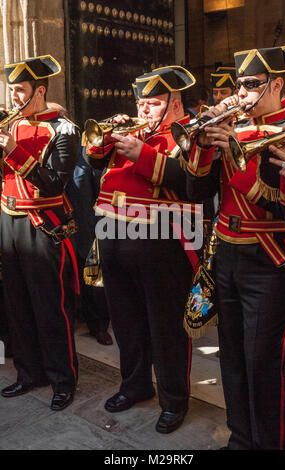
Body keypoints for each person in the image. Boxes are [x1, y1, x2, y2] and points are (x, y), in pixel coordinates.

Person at [185, 46, 285, 450]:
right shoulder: (234, 126)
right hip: (226, 253)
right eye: (239, 85)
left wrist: (233, 150)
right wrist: (199, 144)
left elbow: (276, 201)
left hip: (268, 258)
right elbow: (196, 191)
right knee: (231, 357)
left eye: (251, 85)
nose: (242, 93)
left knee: (262, 363)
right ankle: (241, 438)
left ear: (278, 84)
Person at [83, 66, 205, 434]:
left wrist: (142, 154)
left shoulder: (189, 133)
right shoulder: (137, 130)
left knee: (166, 326)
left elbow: (191, 185)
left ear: (175, 102)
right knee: (127, 320)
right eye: (141, 103)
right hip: (113, 231)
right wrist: (104, 143)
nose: (144, 111)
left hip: (162, 239)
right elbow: (94, 163)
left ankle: (173, 400)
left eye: (153, 104)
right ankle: (134, 385)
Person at [0, 55, 80, 411]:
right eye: (11, 90)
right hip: (7, 219)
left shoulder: (63, 129)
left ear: (40, 91)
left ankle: (63, 379)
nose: (14, 97)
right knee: (16, 304)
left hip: (43, 224)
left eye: (20, 91)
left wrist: (13, 151)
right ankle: (28, 373)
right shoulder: (7, 125)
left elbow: (52, 184)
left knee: (51, 306)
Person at [65, 147, 113, 345]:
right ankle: (72, 317)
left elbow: (100, 189)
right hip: (54, 224)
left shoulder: (84, 153)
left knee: (91, 276)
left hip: (86, 224)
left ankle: (99, 325)